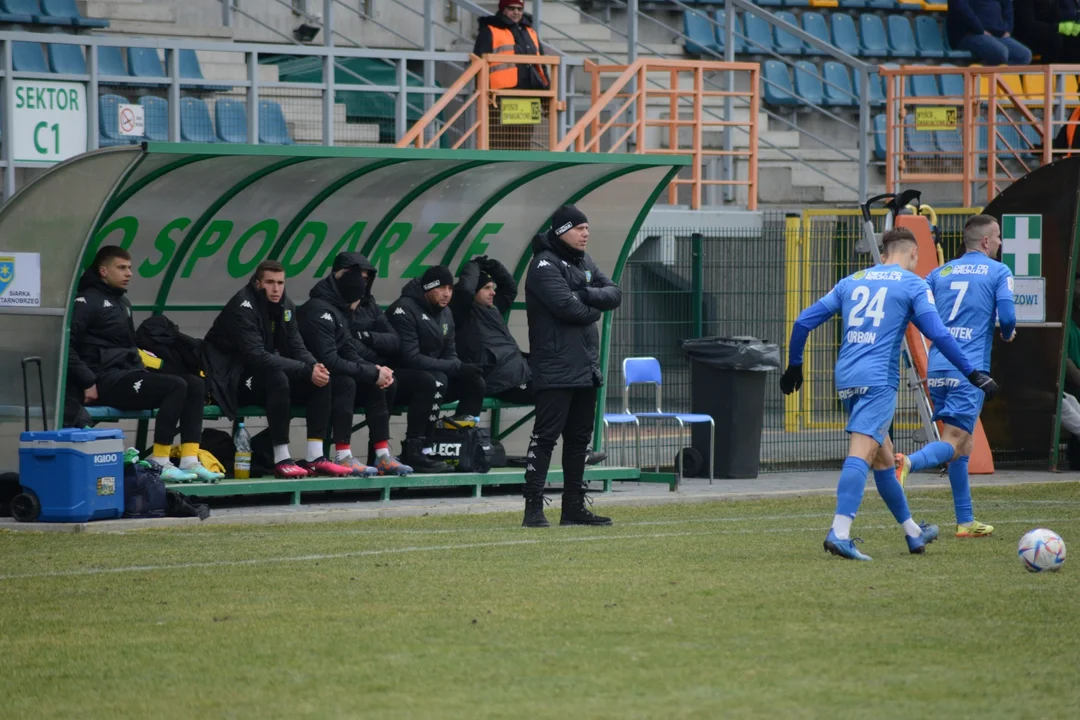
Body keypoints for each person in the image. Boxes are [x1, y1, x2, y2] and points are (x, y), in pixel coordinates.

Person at [780, 227, 999, 561]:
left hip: (846, 376)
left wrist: (795, 365)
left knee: (883, 459)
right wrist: (973, 373)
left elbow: (802, 322)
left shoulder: (851, 281)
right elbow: (938, 333)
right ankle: (839, 532)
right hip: (878, 380)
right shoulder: (912, 284)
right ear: (913, 254)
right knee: (862, 450)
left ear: (884, 253)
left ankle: (913, 532)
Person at [894, 215, 1015, 538]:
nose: (1000, 243)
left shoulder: (939, 273)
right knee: (954, 440)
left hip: (938, 366)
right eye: (998, 237)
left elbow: (917, 313)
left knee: (964, 443)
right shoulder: (999, 271)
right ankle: (908, 463)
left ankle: (965, 520)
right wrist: (1008, 332)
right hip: (969, 370)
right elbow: (1007, 317)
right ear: (986, 242)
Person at [67, 245, 222, 483]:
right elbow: (67, 346)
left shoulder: (123, 303)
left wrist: (143, 368)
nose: (129, 273)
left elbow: (129, 346)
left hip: (128, 374)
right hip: (104, 380)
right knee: (175, 386)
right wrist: (88, 381)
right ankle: (160, 461)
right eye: (121, 268)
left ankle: (190, 459)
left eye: (129, 267)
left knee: (195, 384)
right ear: (103, 271)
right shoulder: (86, 302)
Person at [202, 259, 353, 479]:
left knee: (321, 380)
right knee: (278, 378)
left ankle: (315, 457)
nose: (276, 289)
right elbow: (257, 356)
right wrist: (304, 369)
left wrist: (314, 366)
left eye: (280, 283)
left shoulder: (286, 306)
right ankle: (282, 458)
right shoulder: (243, 306)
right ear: (257, 283)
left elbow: (296, 345)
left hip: (261, 374)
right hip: (230, 378)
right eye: (270, 282)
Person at [451, 255, 608, 465]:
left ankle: (579, 449)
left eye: (492, 287)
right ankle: (576, 452)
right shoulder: (462, 313)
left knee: (570, 386)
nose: (493, 292)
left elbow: (510, 288)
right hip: (500, 379)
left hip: (518, 372)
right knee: (558, 391)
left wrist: (492, 265)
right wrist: (472, 265)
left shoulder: (493, 309)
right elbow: (463, 291)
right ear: (475, 292)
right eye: (487, 288)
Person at [522, 205, 622, 528]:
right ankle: (533, 509)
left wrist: (585, 294)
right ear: (562, 230)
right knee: (545, 437)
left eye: (587, 228)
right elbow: (568, 308)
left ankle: (573, 507)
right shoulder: (543, 264)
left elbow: (615, 293)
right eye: (579, 228)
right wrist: (593, 305)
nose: (586, 233)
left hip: (585, 366)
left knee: (579, 440)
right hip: (555, 367)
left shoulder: (585, 261)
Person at [298, 253, 413, 478]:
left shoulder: (340, 310)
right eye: (359, 278)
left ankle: (382, 455)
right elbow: (329, 359)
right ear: (341, 276)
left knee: (376, 383)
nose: (363, 286)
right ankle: (343, 455)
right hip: (305, 382)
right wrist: (370, 371)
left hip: (331, 379)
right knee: (346, 381)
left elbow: (349, 349)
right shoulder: (317, 309)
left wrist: (376, 371)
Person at [386, 265, 487, 472]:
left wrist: (460, 367)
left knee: (474, 380)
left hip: (432, 375)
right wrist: (455, 367)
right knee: (432, 381)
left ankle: (457, 442)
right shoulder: (403, 309)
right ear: (428, 288)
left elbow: (449, 352)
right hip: (397, 378)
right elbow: (410, 358)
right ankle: (415, 450)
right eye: (442, 288)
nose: (447, 294)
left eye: (450, 289)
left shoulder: (445, 313)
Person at [473, 0, 548, 151]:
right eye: (511, 8)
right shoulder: (490, 30)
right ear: (503, 9)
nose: (516, 12)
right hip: (499, 96)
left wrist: (546, 96)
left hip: (528, 94)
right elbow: (478, 64)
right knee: (497, 142)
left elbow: (541, 65)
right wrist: (482, 93)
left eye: (519, 9)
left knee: (522, 142)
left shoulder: (530, 32)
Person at [948, 0, 1033, 65]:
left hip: (996, 34)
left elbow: (1007, 6)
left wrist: (1007, 29)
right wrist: (980, 29)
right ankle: (975, 77)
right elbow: (960, 8)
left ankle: (996, 81)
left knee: (1024, 55)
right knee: (1000, 53)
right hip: (969, 34)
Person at [1013, 0, 1080, 63]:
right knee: (1055, 40)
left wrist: (1070, 28)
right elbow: (1027, 24)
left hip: (1047, 31)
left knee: (1075, 39)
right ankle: (1047, 72)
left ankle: (1070, 72)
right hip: (1025, 35)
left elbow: (1055, 19)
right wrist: (1057, 27)